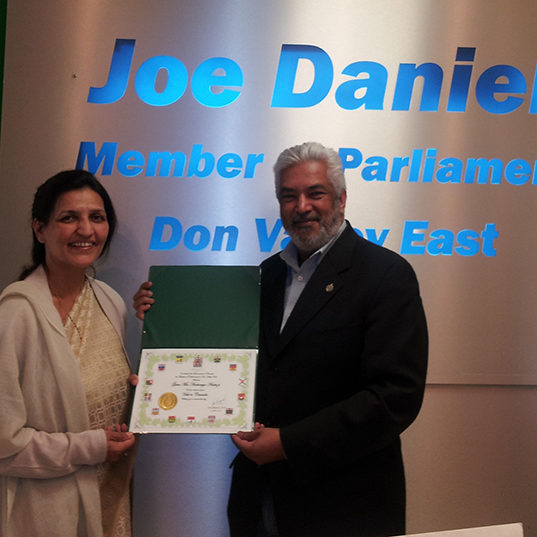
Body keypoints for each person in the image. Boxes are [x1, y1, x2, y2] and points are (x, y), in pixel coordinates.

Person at [133, 142, 428, 537]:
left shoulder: (386, 275)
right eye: (289, 196)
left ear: (341, 199)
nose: (301, 206)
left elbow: (395, 397)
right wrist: (164, 316)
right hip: (259, 497)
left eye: (315, 193)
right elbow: (233, 356)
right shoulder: (267, 275)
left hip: (345, 503)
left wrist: (289, 443)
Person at [0, 170, 137, 537]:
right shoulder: (16, 313)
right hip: (44, 512)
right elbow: (4, 444)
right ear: (40, 229)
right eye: (68, 218)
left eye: (97, 217)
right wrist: (88, 447)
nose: (86, 230)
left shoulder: (110, 301)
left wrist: (144, 394)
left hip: (108, 500)